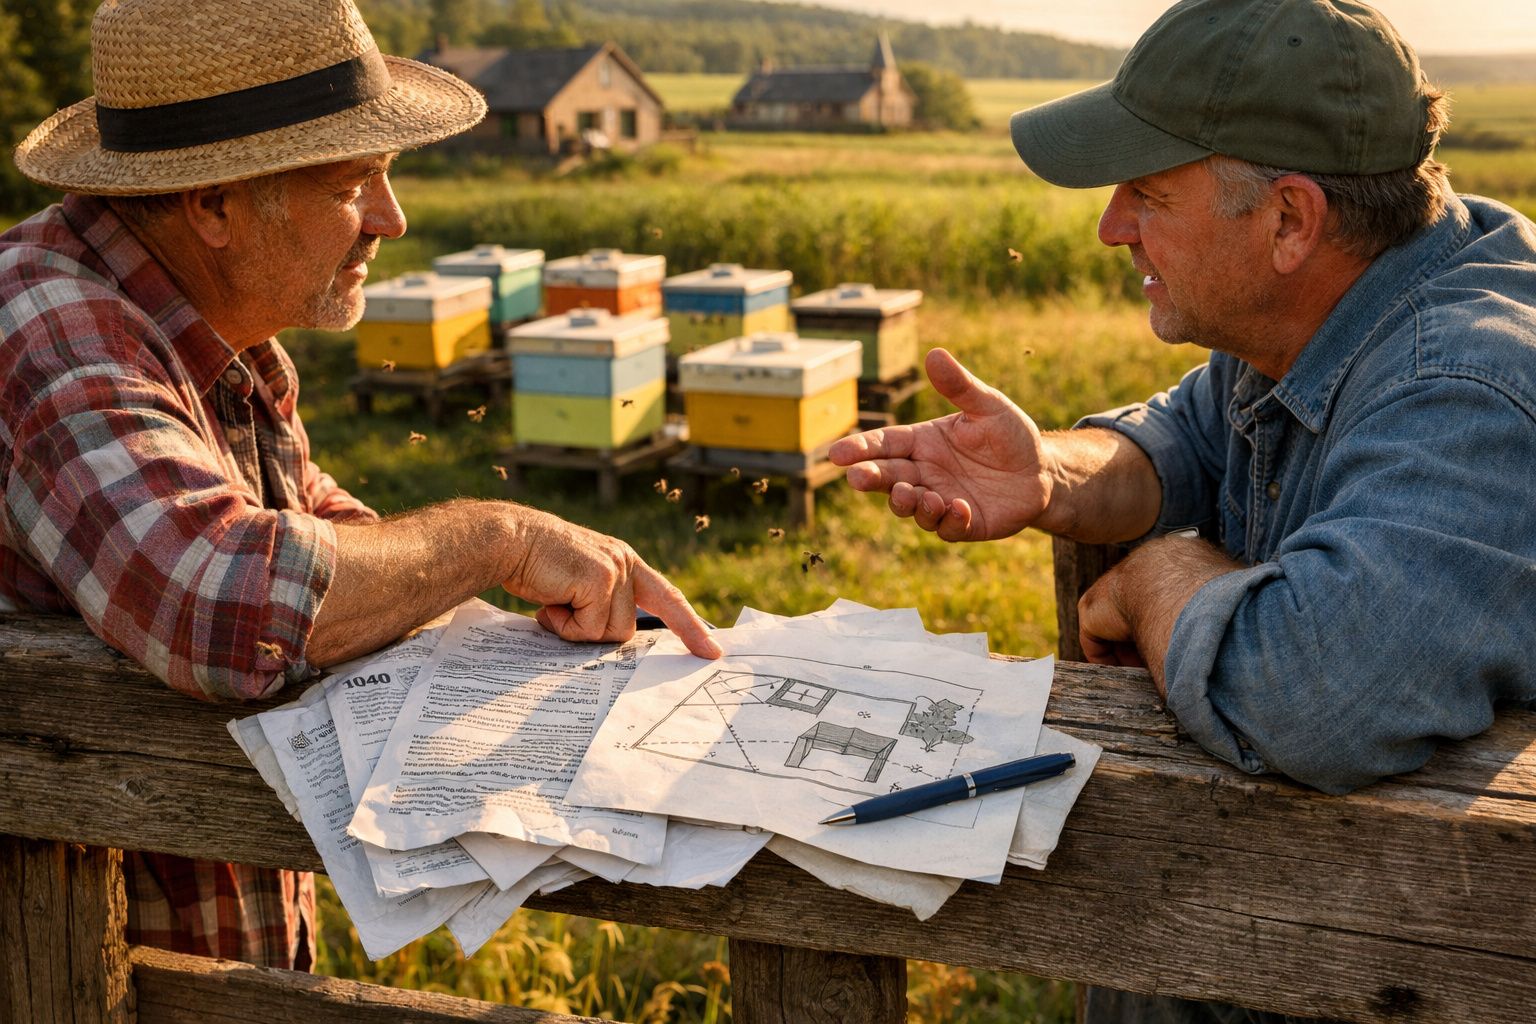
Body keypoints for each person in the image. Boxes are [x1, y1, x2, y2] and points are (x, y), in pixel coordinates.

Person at [834, 2, 1536, 1017]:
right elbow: (1193, 437)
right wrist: (1050, 474)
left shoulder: (1469, 387)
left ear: (1291, 219)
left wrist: (1162, 572)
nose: (1113, 224)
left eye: (1148, 193)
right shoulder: (1340, 300)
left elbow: (1312, 690)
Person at [0, 0, 720, 970]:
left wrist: (460, 589)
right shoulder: (46, 329)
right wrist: (493, 541)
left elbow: (307, 522)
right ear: (212, 200)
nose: (392, 217)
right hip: (72, 968)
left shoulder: (201, 321)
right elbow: (223, 593)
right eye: (355, 182)